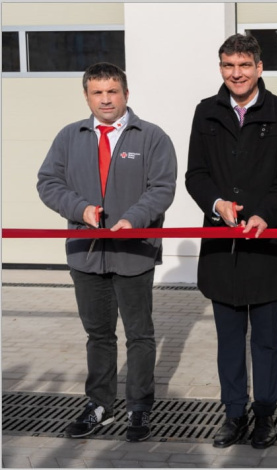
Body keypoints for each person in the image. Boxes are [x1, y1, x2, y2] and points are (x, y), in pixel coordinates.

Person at [36, 62, 177, 442]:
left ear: (126, 94)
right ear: (87, 96)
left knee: (139, 335)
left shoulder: (151, 137)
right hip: (86, 252)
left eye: (112, 91)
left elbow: (162, 187)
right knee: (98, 335)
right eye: (97, 92)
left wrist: (134, 218)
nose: (105, 99)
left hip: (133, 252)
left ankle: (138, 409)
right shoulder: (70, 136)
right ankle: (100, 405)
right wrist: (79, 209)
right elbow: (47, 182)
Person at [185, 34, 277, 450]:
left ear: (259, 67)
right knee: (229, 340)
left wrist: (263, 214)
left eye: (244, 65)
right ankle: (234, 414)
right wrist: (217, 204)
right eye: (228, 66)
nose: (236, 73)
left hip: (266, 247)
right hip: (221, 247)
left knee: (267, 340)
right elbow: (195, 175)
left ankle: (266, 416)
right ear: (221, 68)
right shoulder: (206, 112)